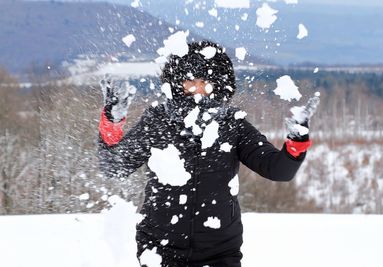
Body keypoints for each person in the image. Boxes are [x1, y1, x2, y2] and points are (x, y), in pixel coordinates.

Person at [98, 40, 319, 267]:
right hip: (159, 250)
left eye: (205, 82)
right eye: (189, 81)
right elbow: (114, 166)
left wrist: (297, 138)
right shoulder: (157, 120)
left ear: (219, 83)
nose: (197, 89)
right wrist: (112, 120)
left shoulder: (233, 124)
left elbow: (279, 170)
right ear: (176, 82)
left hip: (220, 253)